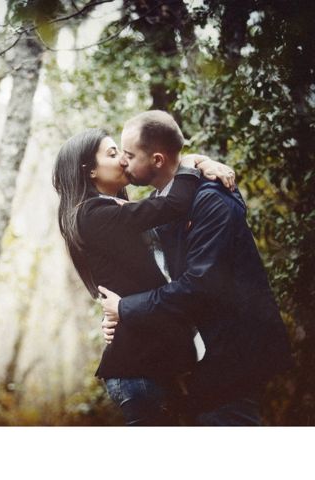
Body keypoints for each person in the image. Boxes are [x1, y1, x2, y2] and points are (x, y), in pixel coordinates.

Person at [99, 110, 292, 426]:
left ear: (158, 160)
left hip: (233, 356)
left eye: (130, 155)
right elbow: (161, 273)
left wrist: (127, 308)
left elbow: (200, 285)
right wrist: (118, 316)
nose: (123, 161)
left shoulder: (211, 198)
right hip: (203, 362)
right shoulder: (171, 201)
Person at [52, 127, 235, 425]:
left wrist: (201, 162)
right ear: (90, 172)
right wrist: (189, 162)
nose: (124, 160)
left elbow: (137, 274)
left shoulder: (111, 210)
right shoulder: (92, 215)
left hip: (154, 362)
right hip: (138, 369)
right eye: (113, 154)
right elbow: (172, 205)